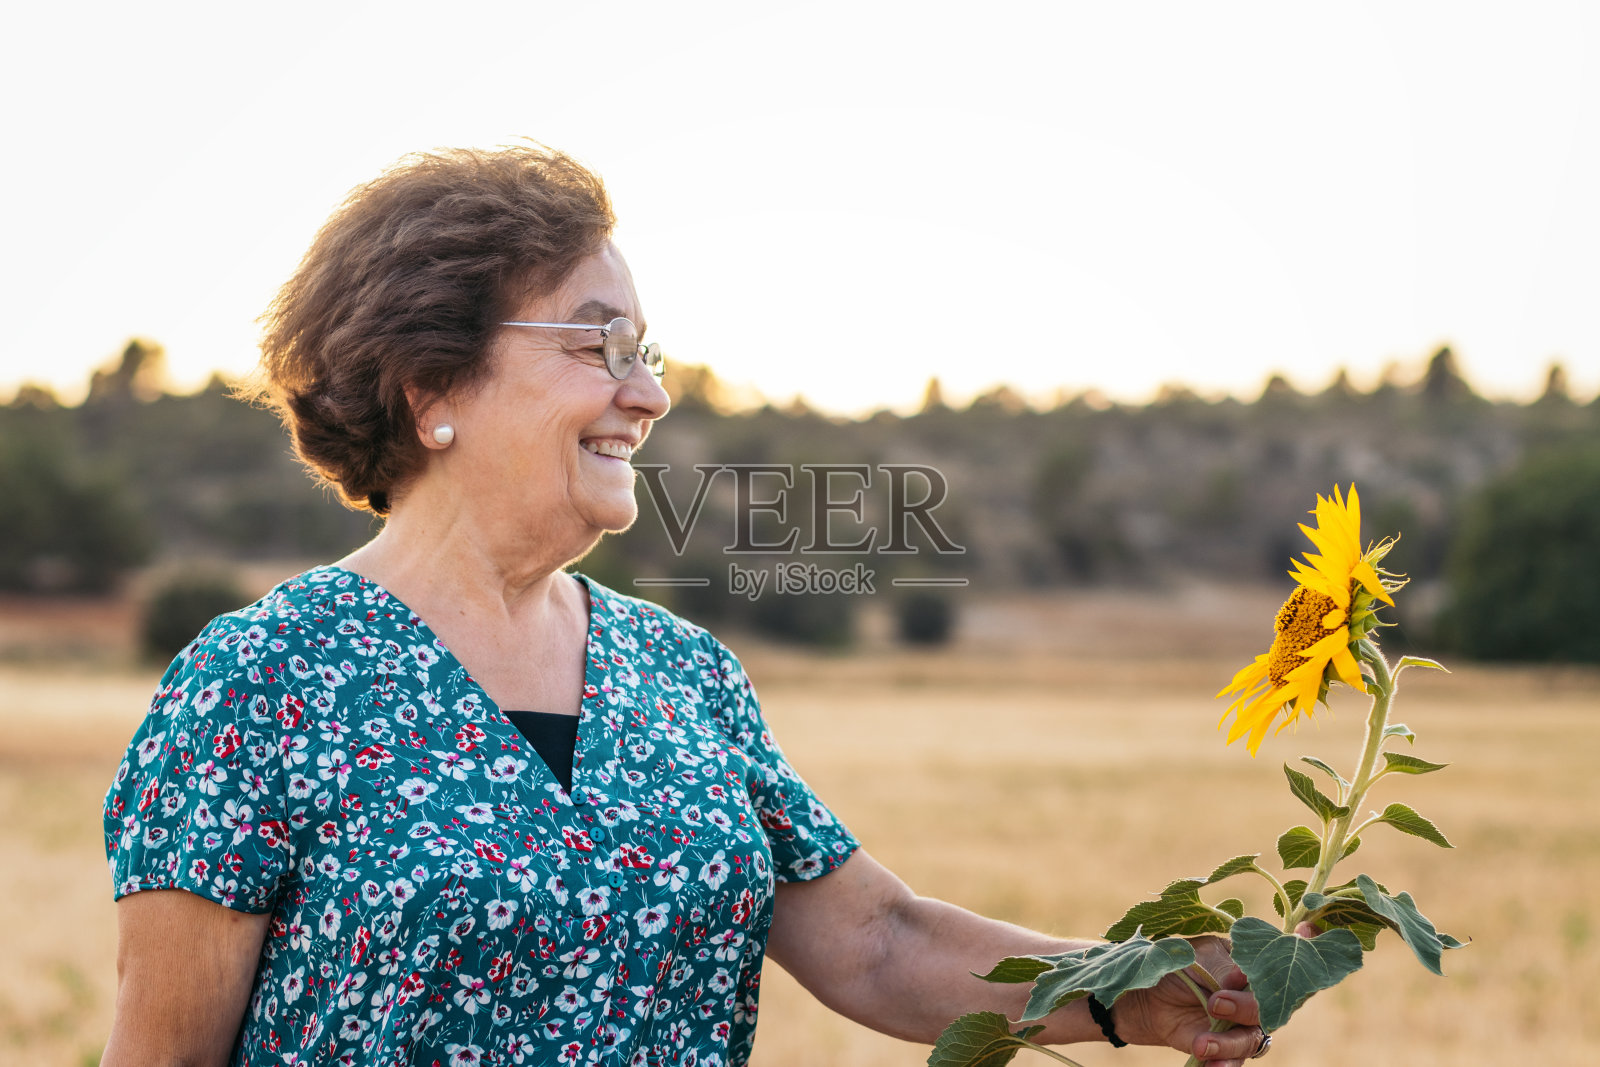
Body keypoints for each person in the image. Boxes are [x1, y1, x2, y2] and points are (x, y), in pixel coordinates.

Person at [101, 144, 1274, 1067]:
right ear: (429, 386)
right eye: (596, 341)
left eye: (646, 345)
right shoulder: (260, 681)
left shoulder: (681, 673)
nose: (648, 390)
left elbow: (878, 941)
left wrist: (1132, 985)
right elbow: (163, 1055)